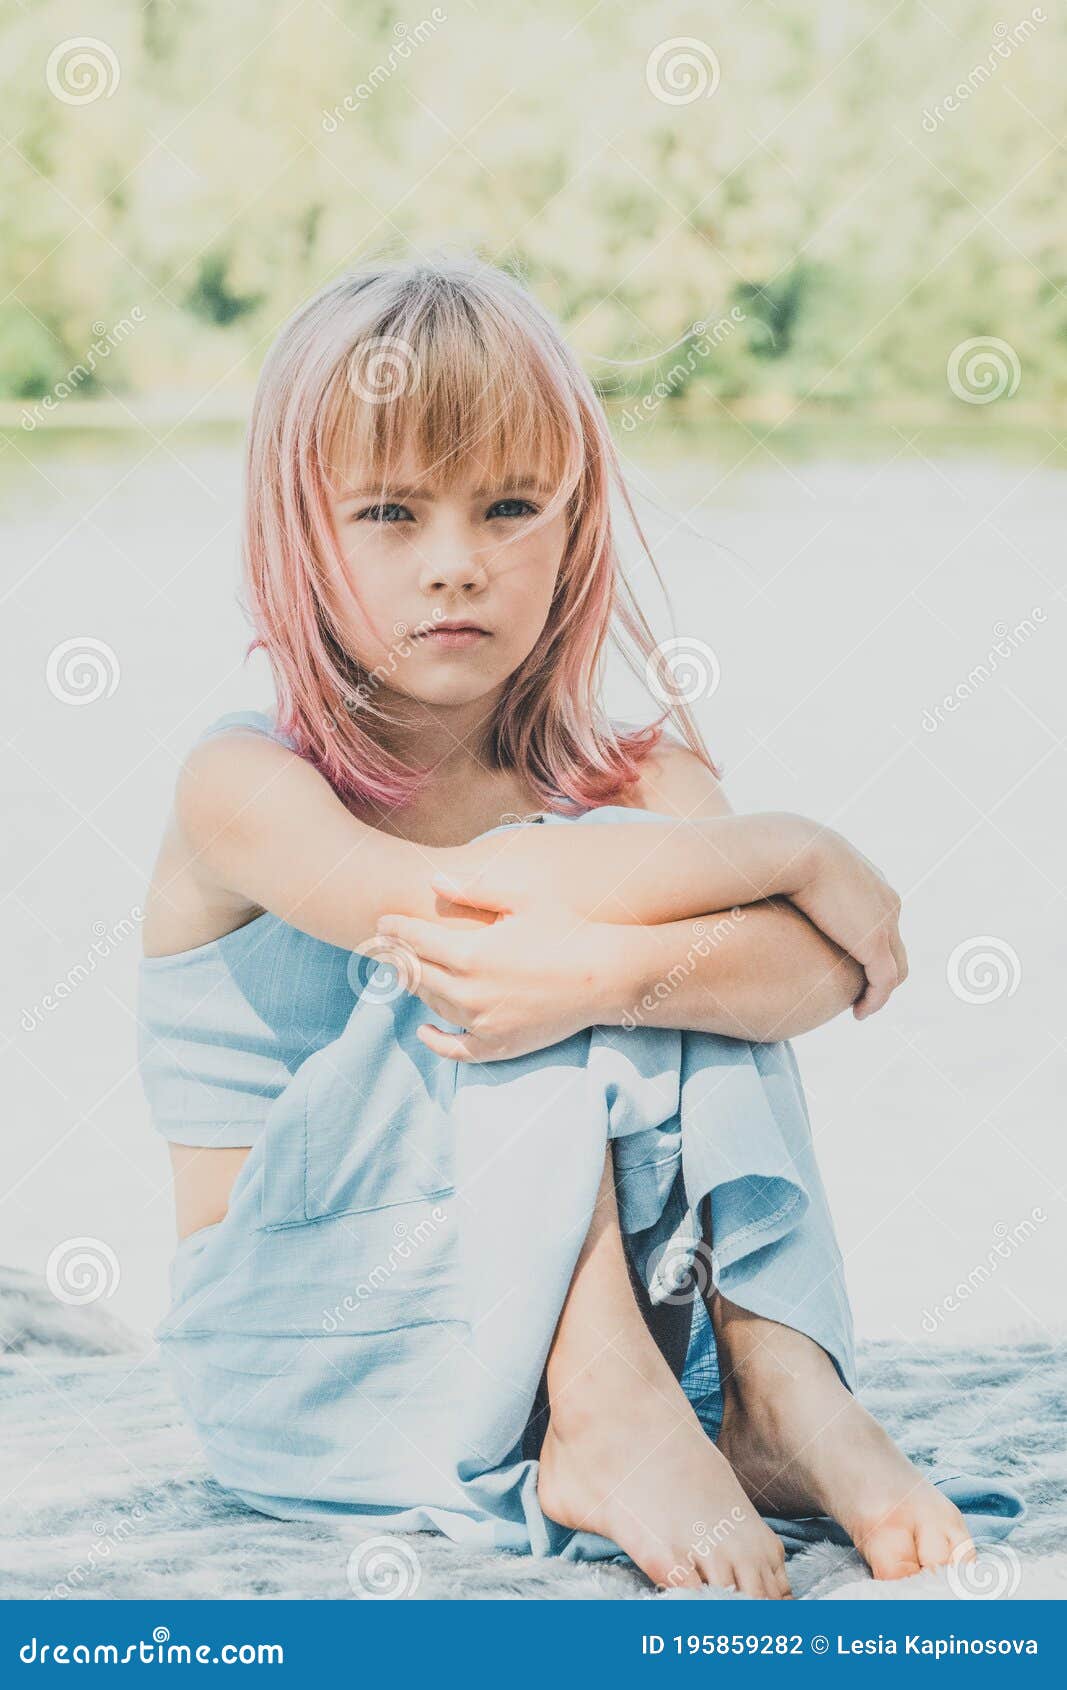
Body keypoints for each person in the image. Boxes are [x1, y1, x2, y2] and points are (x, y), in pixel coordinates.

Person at [138, 255, 973, 1597]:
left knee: (643, 910)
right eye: (391, 513)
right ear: (300, 533)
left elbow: (812, 972)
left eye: (509, 506)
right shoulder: (245, 785)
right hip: (313, 1346)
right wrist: (796, 848)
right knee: (532, 907)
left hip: (622, 1335)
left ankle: (778, 1383)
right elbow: (475, 910)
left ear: (572, 528)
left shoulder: (636, 776)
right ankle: (599, 1405)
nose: (456, 564)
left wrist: (628, 968)